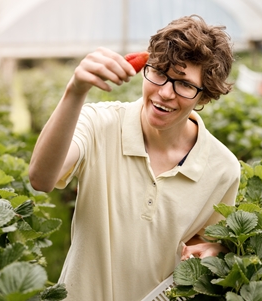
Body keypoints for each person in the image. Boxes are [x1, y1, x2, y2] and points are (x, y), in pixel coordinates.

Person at [29, 14, 240, 301]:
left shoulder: (223, 169)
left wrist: (215, 250)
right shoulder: (98, 123)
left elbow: (202, 243)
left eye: (185, 84)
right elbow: (41, 179)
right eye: (159, 72)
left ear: (205, 96)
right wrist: (75, 90)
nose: (165, 92)